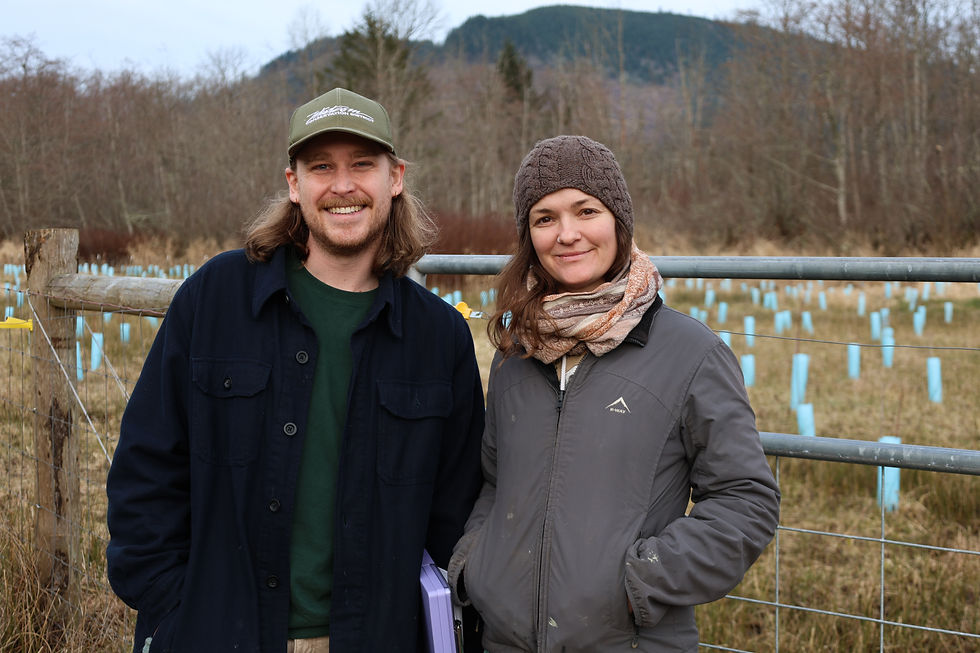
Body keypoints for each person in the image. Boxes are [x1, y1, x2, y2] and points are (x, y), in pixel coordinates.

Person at [106, 88, 485, 653]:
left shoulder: (438, 337)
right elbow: (147, 464)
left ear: (395, 177)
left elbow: (456, 514)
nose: (342, 185)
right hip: (219, 631)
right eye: (321, 167)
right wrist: (172, 607)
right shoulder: (215, 299)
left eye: (363, 164)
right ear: (293, 184)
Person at [448, 135, 780, 652]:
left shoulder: (691, 353)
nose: (567, 234)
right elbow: (495, 484)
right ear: (528, 236)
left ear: (618, 221)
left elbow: (746, 500)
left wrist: (641, 580)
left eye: (586, 210)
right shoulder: (516, 353)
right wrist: (476, 562)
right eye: (544, 218)